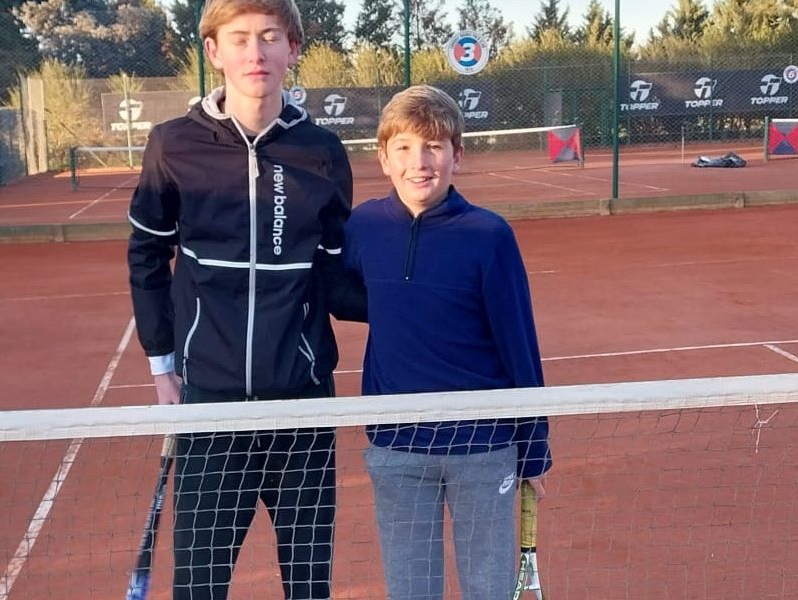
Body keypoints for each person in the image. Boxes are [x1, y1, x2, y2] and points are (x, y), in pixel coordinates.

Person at [126, 1, 364, 598]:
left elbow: (336, 273)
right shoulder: (172, 145)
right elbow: (147, 255)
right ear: (214, 51)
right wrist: (162, 365)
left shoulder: (323, 152)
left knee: (309, 586)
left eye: (270, 37)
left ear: (293, 48)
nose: (255, 52)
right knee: (199, 586)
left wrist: (421, 299)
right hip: (211, 403)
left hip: (304, 404)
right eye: (239, 39)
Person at [342, 85, 552, 600]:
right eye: (404, 148)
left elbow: (518, 343)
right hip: (397, 447)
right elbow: (349, 296)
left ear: (457, 155)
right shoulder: (363, 226)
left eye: (433, 147)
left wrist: (534, 450)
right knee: (411, 591)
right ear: (384, 158)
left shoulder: (488, 235)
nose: (419, 162)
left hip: (482, 447)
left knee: (487, 590)